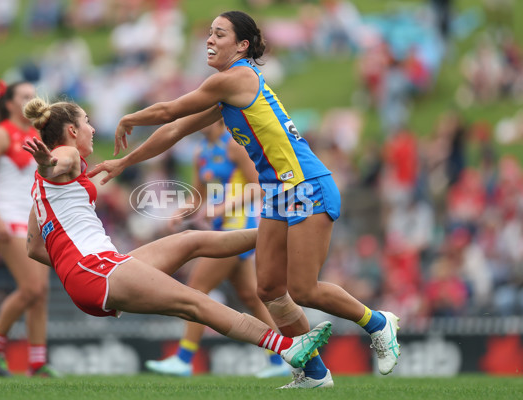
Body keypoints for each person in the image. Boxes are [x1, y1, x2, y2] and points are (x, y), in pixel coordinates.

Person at [88, 10, 401, 388]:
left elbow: (169, 110)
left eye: (219, 34)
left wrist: (129, 118)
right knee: (268, 289)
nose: (209, 39)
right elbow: (174, 129)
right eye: (208, 33)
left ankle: (378, 322)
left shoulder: (238, 77)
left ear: (242, 45)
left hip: (305, 184)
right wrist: (125, 161)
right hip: (278, 192)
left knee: (304, 289)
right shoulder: (225, 92)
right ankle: (314, 373)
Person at [21, 97, 333, 384]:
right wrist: (46, 163)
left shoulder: (39, 189)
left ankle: (287, 231)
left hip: (94, 270)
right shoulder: (67, 155)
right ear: (72, 130)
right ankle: (287, 347)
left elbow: (34, 248)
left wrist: (70, 265)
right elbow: (58, 162)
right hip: (95, 269)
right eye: (86, 121)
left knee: (189, 241)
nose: (91, 128)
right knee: (195, 300)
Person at [145, 119, 289, 378]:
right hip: (219, 231)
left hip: (236, 229)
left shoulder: (233, 145)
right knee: (251, 298)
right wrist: (180, 213)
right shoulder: (201, 151)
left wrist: (224, 208)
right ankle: (282, 357)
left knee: (197, 287)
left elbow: (258, 186)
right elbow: (198, 195)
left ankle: (184, 358)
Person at [0, 80, 58, 377]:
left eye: (33, 96)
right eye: (24, 97)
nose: (31, 101)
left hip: (35, 219)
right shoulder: (0, 134)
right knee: (31, 288)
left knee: (41, 292)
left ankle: (37, 361)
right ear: (9, 103)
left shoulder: (38, 134)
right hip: (8, 216)